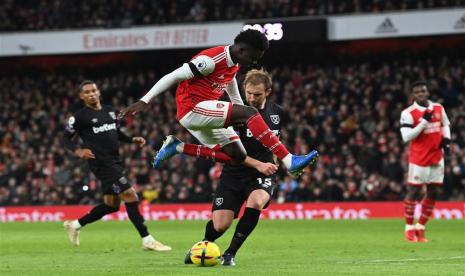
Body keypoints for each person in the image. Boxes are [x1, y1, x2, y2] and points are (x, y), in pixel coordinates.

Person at [118, 29, 318, 178]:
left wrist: (242, 114)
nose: (254, 62)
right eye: (253, 57)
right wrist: (144, 101)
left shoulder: (234, 61)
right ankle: (289, 159)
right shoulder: (210, 61)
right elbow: (172, 76)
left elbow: (231, 89)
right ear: (241, 49)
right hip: (193, 108)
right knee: (249, 114)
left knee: (237, 156)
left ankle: (177, 147)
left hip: (204, 110)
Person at [181, 69, 288, 266]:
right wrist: (260, 164)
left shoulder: (278, 113)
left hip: (261, 174)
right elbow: (230, 153)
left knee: (256, 202)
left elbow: (277, 139)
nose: (252, 98)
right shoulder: (232, 114)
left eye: (257, 94)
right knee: (220, 225)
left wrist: (278, 159)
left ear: (268, 92)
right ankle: (203, 246)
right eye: (248, 93)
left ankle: (230, 253)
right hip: (234, 171)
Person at [62, 80, 171, 251]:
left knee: (111, 205)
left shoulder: (110, 111)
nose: (91, 94)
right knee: (130, 195)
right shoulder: (79, 118)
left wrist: (131, 139)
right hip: (100, 163)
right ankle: (147, 240)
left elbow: (115, 133)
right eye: (87, 92)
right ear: (82, 96)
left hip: (114, 161)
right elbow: (65, 139)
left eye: (93, 90)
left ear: (98, 92)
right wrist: (78, 151)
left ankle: (75, 225)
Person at [400, 80, 451, 242]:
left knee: (433, 192)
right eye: (417, 92)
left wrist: (447, 140)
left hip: (437, 156)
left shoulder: (438, 107)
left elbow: (445, 124)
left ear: (427, 92)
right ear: (413, 95)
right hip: (419, 159)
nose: (421, 94)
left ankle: (421, 226)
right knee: (414, 192)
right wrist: (423, 122)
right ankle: (408, 227)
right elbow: (406, 137)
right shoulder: (408, 113)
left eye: (423, 91)